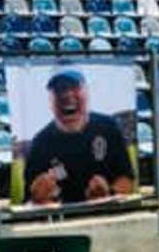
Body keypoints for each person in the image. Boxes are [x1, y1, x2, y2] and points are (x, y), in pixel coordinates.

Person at [22, 68, 134, 205]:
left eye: (74, 87)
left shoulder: (108, 127)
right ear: (50, 100)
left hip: (105, 214)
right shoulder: (41, 142)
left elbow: (126, 178)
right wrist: (38, 198)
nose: (67, 94)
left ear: (87, 93)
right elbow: (29, 200)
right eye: (59, 90)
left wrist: (109, 195)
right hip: (65, 220)